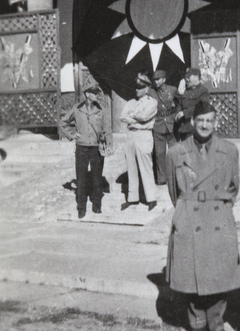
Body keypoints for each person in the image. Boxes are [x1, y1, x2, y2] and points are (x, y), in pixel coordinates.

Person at [166, 100, 240, 331]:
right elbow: (172, 190)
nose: (205, 125)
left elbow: (233, 186)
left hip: (217, 213)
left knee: (220, 270)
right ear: (192, 122)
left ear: (216, 123)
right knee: (191, 272)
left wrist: (219, 205)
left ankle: (217, 323)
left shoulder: (229, 150)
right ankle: (197, 323)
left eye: (210, 121)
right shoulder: (177, 152)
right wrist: (185, 210)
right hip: (190, 213)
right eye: (201, 121)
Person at [60, 81, 113, 219]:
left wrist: (109, 145)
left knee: (97, 178)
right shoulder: (77, 109)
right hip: (82, 147)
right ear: (87, 94)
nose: (97, 95)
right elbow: (63, 122)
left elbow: (107, 129)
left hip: (96, 147)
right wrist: (72, 135)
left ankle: (97, 206)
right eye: (94, 93)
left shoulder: (102, 109)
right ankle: (81, 208)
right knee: (81, 179)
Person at [120, 71, 158, 211]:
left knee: (146, 167)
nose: (137, 89)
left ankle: (151, 198)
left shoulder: (152, 102)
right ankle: (132, 198)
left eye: (140, 87)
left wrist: (132, 116)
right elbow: (122, 116)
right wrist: (136, 119)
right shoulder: (130, 102)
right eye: (136, 87)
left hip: (144, 136)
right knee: (132, 167)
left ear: (147, 88)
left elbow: (144, 117)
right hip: (131, 136)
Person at [151, 69, 178, 185]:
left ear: (164, 79)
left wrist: (177, 114)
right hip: (158, 123)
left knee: (174, 151)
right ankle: (162, 178)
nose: (156, 82)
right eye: (155, 80)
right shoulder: (151, 92)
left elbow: (179, 104)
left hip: (171, 123)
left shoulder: (172, 90)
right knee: (159, 153)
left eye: (158, 79)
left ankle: (175, 177)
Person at [175, 67, 210, 140]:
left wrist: (184, 113)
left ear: (196, 77)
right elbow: (180, 103)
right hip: (184, 127)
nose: (186, 80)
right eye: (186, 77)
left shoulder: (203, 91)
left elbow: (202, 107)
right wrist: (178, 112)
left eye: (188, 77)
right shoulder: (187, 91)